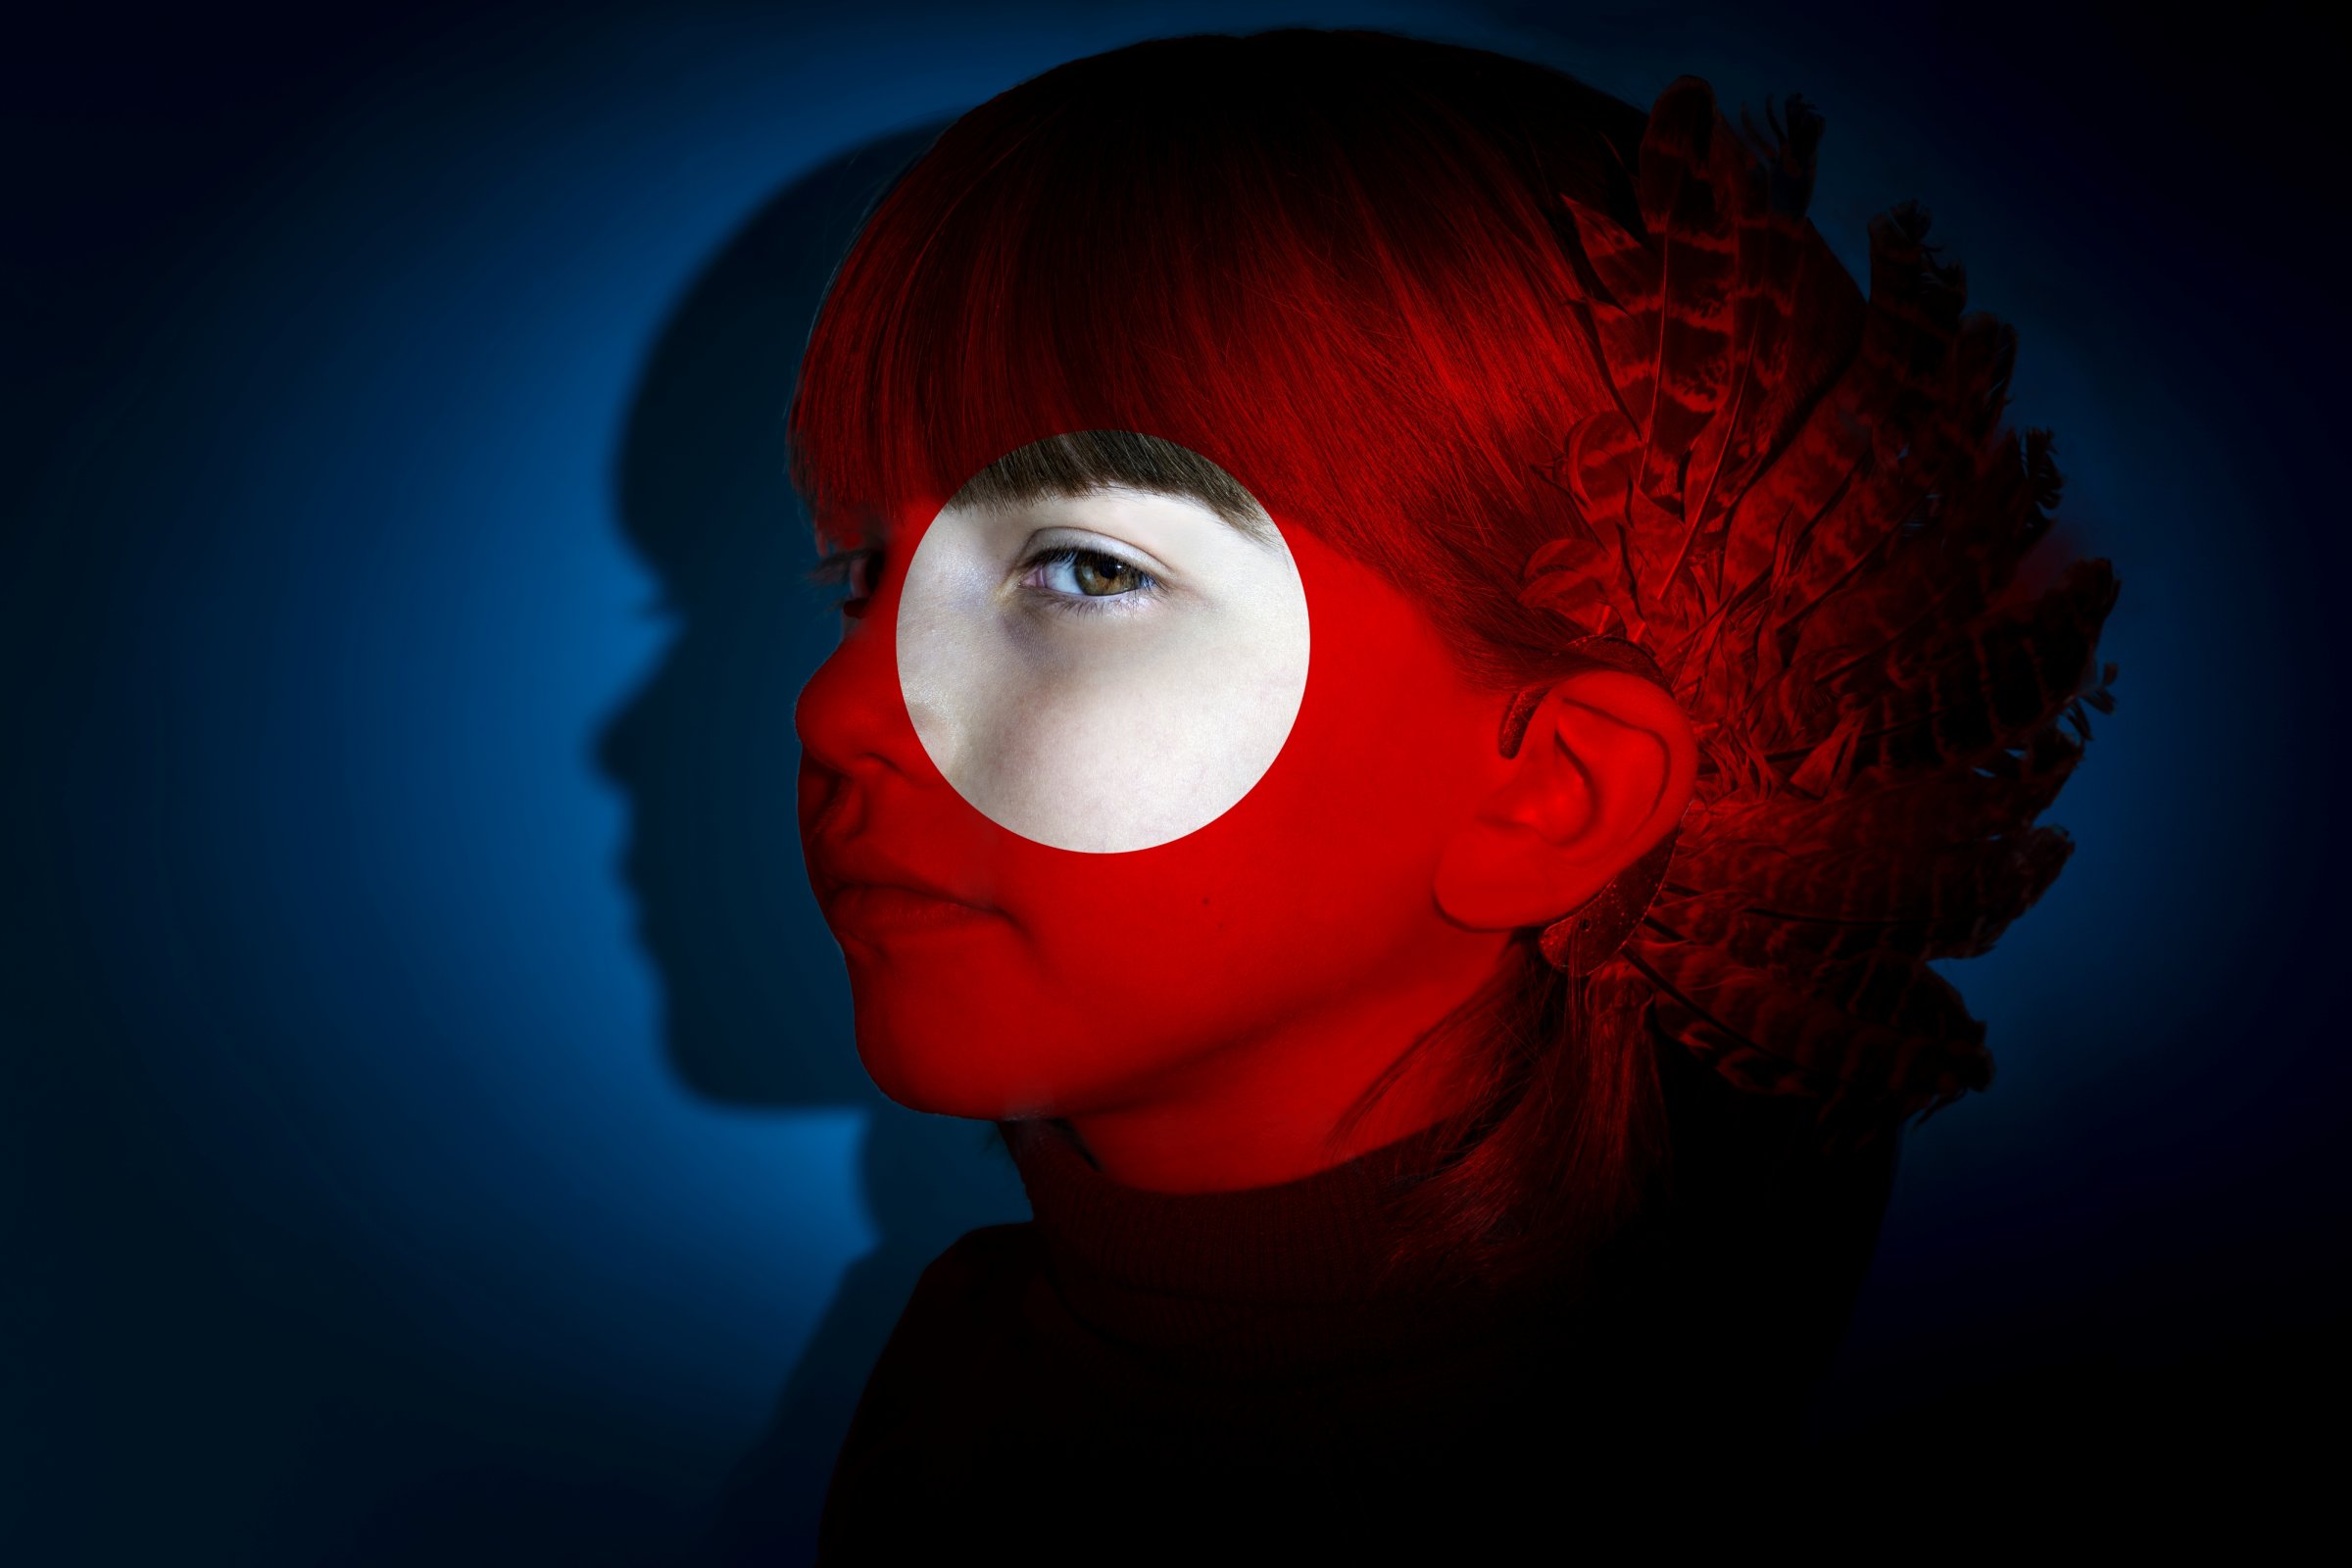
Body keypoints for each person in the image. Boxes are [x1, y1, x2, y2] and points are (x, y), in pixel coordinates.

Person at [725, 24, 2119, 1559]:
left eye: (1088, 571)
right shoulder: (973, 1368)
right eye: (864, 573)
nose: (836, 709)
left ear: (1553, 791)